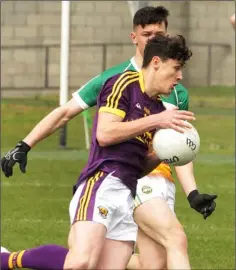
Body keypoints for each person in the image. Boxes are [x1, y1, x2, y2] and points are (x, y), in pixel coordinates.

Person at [1, 6, 217, 270]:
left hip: (128, 193)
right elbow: (103, 133)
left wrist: (166, 151)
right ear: (154, 58)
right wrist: (25, 144)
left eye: (157, 33)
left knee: (141, 264)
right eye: (177, 68)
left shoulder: (164, 103)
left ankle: (7, 259)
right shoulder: (119, 82)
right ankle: (8, 260)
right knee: (80, 262)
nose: (181, 76)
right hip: (101, 183)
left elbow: (140, 166)